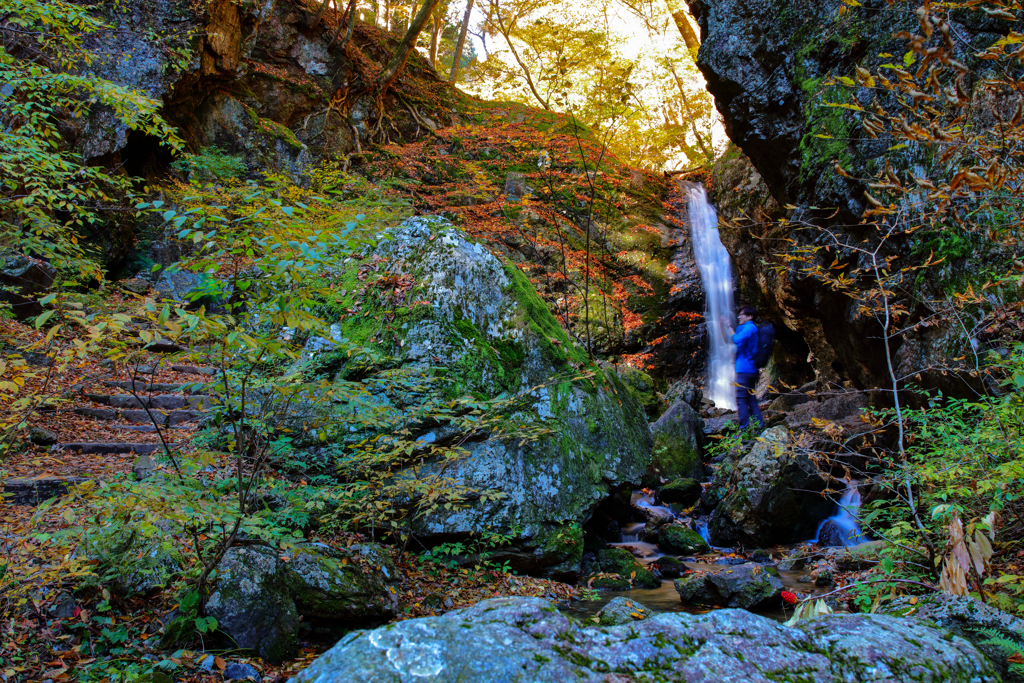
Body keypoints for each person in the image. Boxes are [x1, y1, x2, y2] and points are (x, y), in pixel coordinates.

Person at [720, 305, 764, 432]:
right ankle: (758, 428)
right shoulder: (746, 329)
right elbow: (730, 340)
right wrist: (723, 326)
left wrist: (728, 325)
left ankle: (744, 430)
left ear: (750, 316)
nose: (739, 316)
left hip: (744, 370)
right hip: (750, 369)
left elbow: (737, 339)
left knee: (741, 399)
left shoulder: (750, 327)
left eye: (742, 314)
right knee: (750, 399)